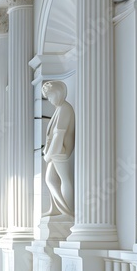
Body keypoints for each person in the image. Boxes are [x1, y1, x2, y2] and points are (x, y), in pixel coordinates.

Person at [42, 80, 75, 218]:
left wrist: (49, 154)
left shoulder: (65, 108)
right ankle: (56, 208)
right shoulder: (60, 109)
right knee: (51, 180)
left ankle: (67, 211)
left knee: (63, 179)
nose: (49, 100)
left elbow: (59, 134)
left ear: (58, 93)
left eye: (50, 96)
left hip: (60, 151)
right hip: (56, 151)